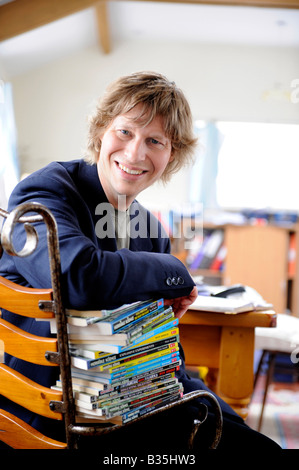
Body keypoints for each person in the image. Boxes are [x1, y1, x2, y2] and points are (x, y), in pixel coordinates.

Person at [0, 71, 280, 452]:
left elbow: (167, 356)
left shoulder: (150, 230)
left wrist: (216, 413)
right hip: (55, 411)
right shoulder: (46, 189)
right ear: (101, 130)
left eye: (155, 141)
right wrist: (176, 271)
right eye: (125, 132)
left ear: (171, 154)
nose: (135, 154)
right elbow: (75, 277)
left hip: (137, 402)